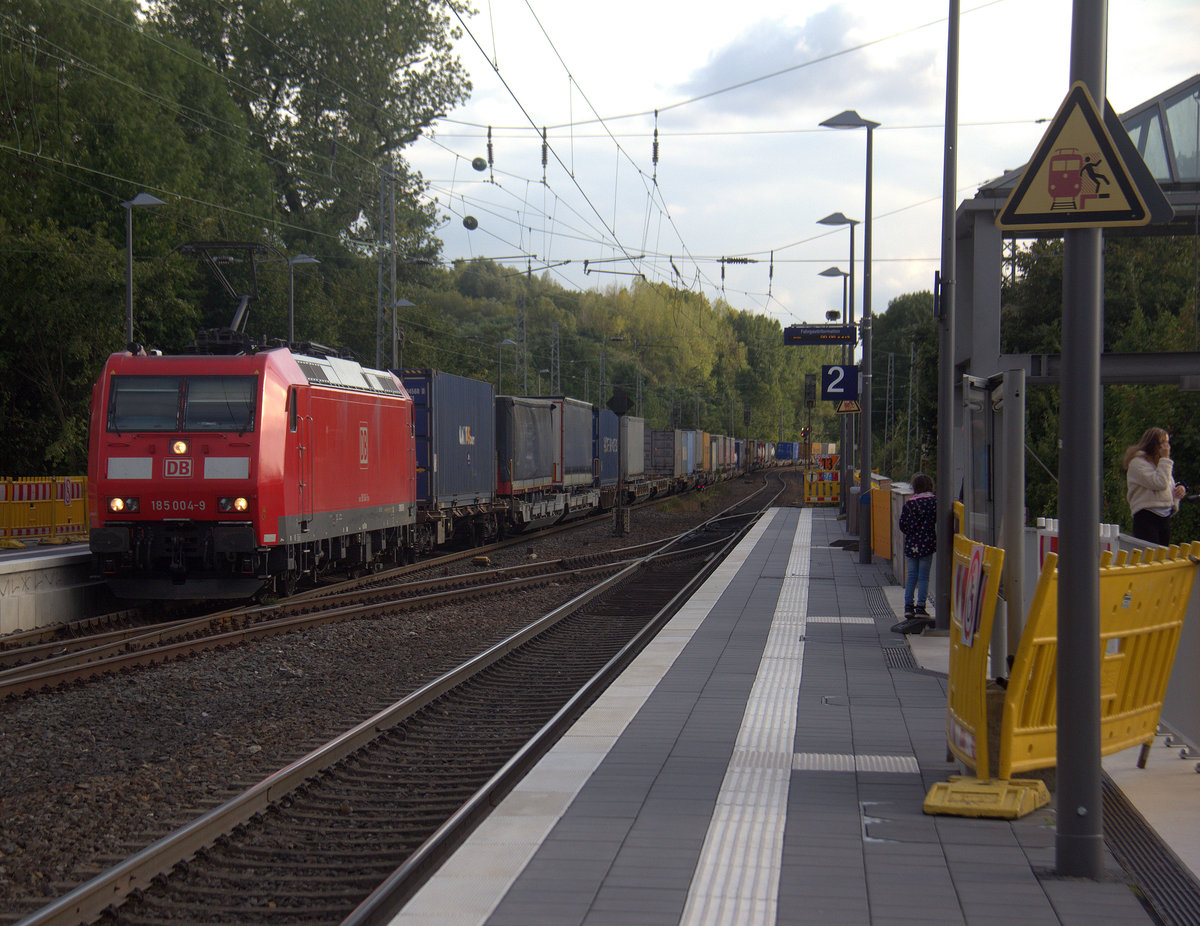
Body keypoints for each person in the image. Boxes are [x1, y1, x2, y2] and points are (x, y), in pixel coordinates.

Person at [1124, 427, 1186, 546]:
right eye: (1163, 443)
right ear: (1153, 444)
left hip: (1164, 517)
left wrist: (1180, 489)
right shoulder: (1137, 463)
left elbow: (1168, 484)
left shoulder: (1159, 463)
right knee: (1150, 556)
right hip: (1147, 516)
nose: (1166, 447)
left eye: (1167, 442)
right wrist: (1165, 459)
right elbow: (1159, 483)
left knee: (1162, 557)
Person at [893, 473, 937, 634]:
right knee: (924, 576)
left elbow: (902, 524)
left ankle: (908, 607)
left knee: (912, 575)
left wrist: (912, 533)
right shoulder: (933, 502)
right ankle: (920, 607)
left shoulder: (910, 504)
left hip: (911, 544)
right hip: (927, 543)